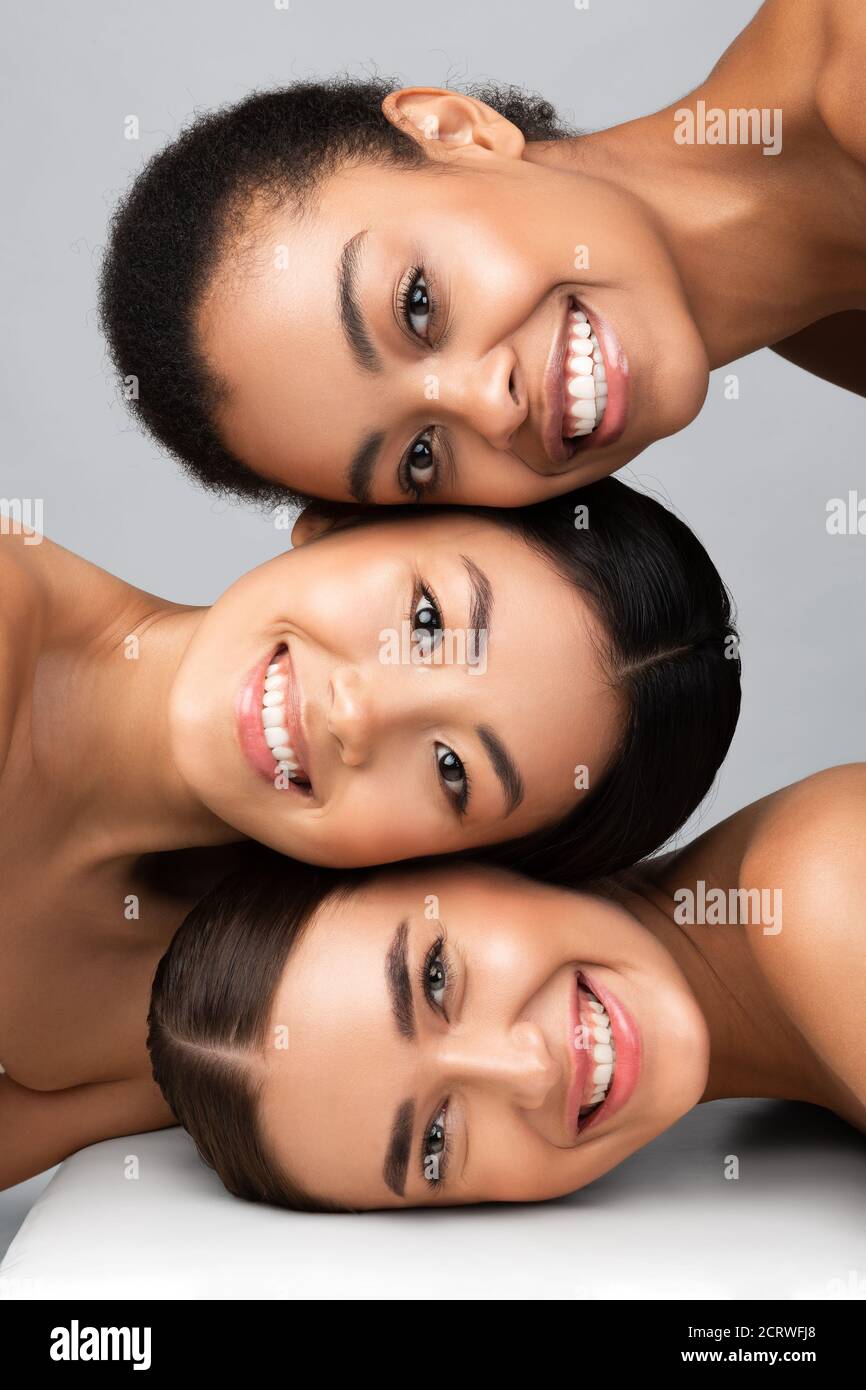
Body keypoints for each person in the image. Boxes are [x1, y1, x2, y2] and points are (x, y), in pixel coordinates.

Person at [0, 480, 740, 1189]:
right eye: (426, 622)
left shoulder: (237, 1015)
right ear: (345, 517)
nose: (356, 717)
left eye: (452, 770)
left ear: (457, 869)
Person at [99, 0, 866, 509]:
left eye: (418, 305)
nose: (488, 407)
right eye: (420, 459)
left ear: (455, 128)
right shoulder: (825, 322)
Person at [148, 764, 866, 1212]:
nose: (529, 1071)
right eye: (433, 1143)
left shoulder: (828, 890)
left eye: (434, 980)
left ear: (460, 852)